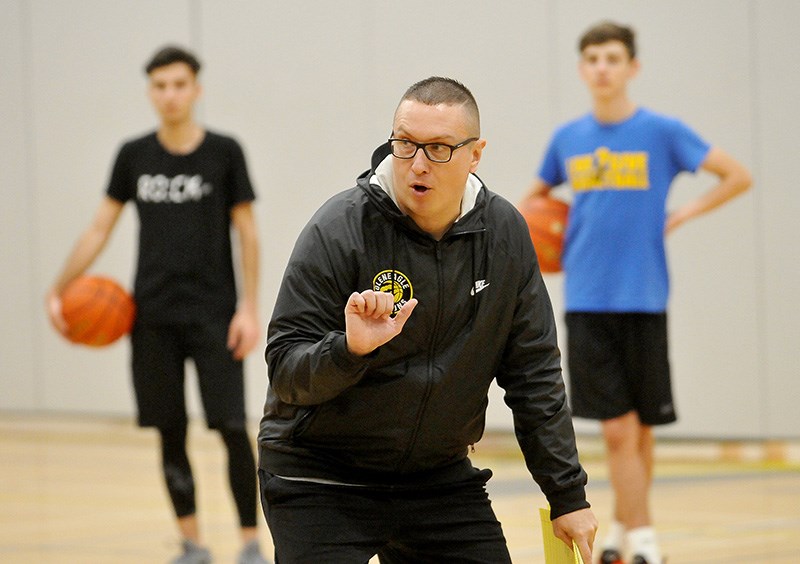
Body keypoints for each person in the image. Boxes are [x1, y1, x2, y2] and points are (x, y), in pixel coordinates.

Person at [257, 76, 598, 563]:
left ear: (475, 154)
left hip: (435, 478)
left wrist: (567, 496)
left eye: (438, 148)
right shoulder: (337, 231)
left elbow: (534, 374)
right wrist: (348, 350)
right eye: (405, 145)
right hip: (320, 475)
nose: (417, 164)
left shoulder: (503, 235)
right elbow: (287, 372)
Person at [526, 22, 752, 564]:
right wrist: (545, 240)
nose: (602, 67)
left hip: (645, 296)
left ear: (632, 68)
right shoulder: (568, 140)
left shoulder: (662, 131)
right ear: (583, 70)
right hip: (587, 300)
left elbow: (735, 175)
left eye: (612, 58)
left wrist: (680, 216)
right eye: (593, 59)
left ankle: (622, 537)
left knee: (641, 433)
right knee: (620, 431)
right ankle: (646, 544)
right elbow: (531, 203)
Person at [45, 45, 269, 564]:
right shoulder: (133, 155)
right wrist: (59, 288)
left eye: (179, 84)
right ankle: (192, 545)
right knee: (170, 431)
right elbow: (99, 227)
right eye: (160, 86)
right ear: (151, 92)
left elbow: (248, 235)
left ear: (196, 90)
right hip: (151, 319)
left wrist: (249, 308)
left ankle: (250, 544)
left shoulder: (224, 152)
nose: (170, 95)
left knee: (232, 428)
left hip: (216, 316)